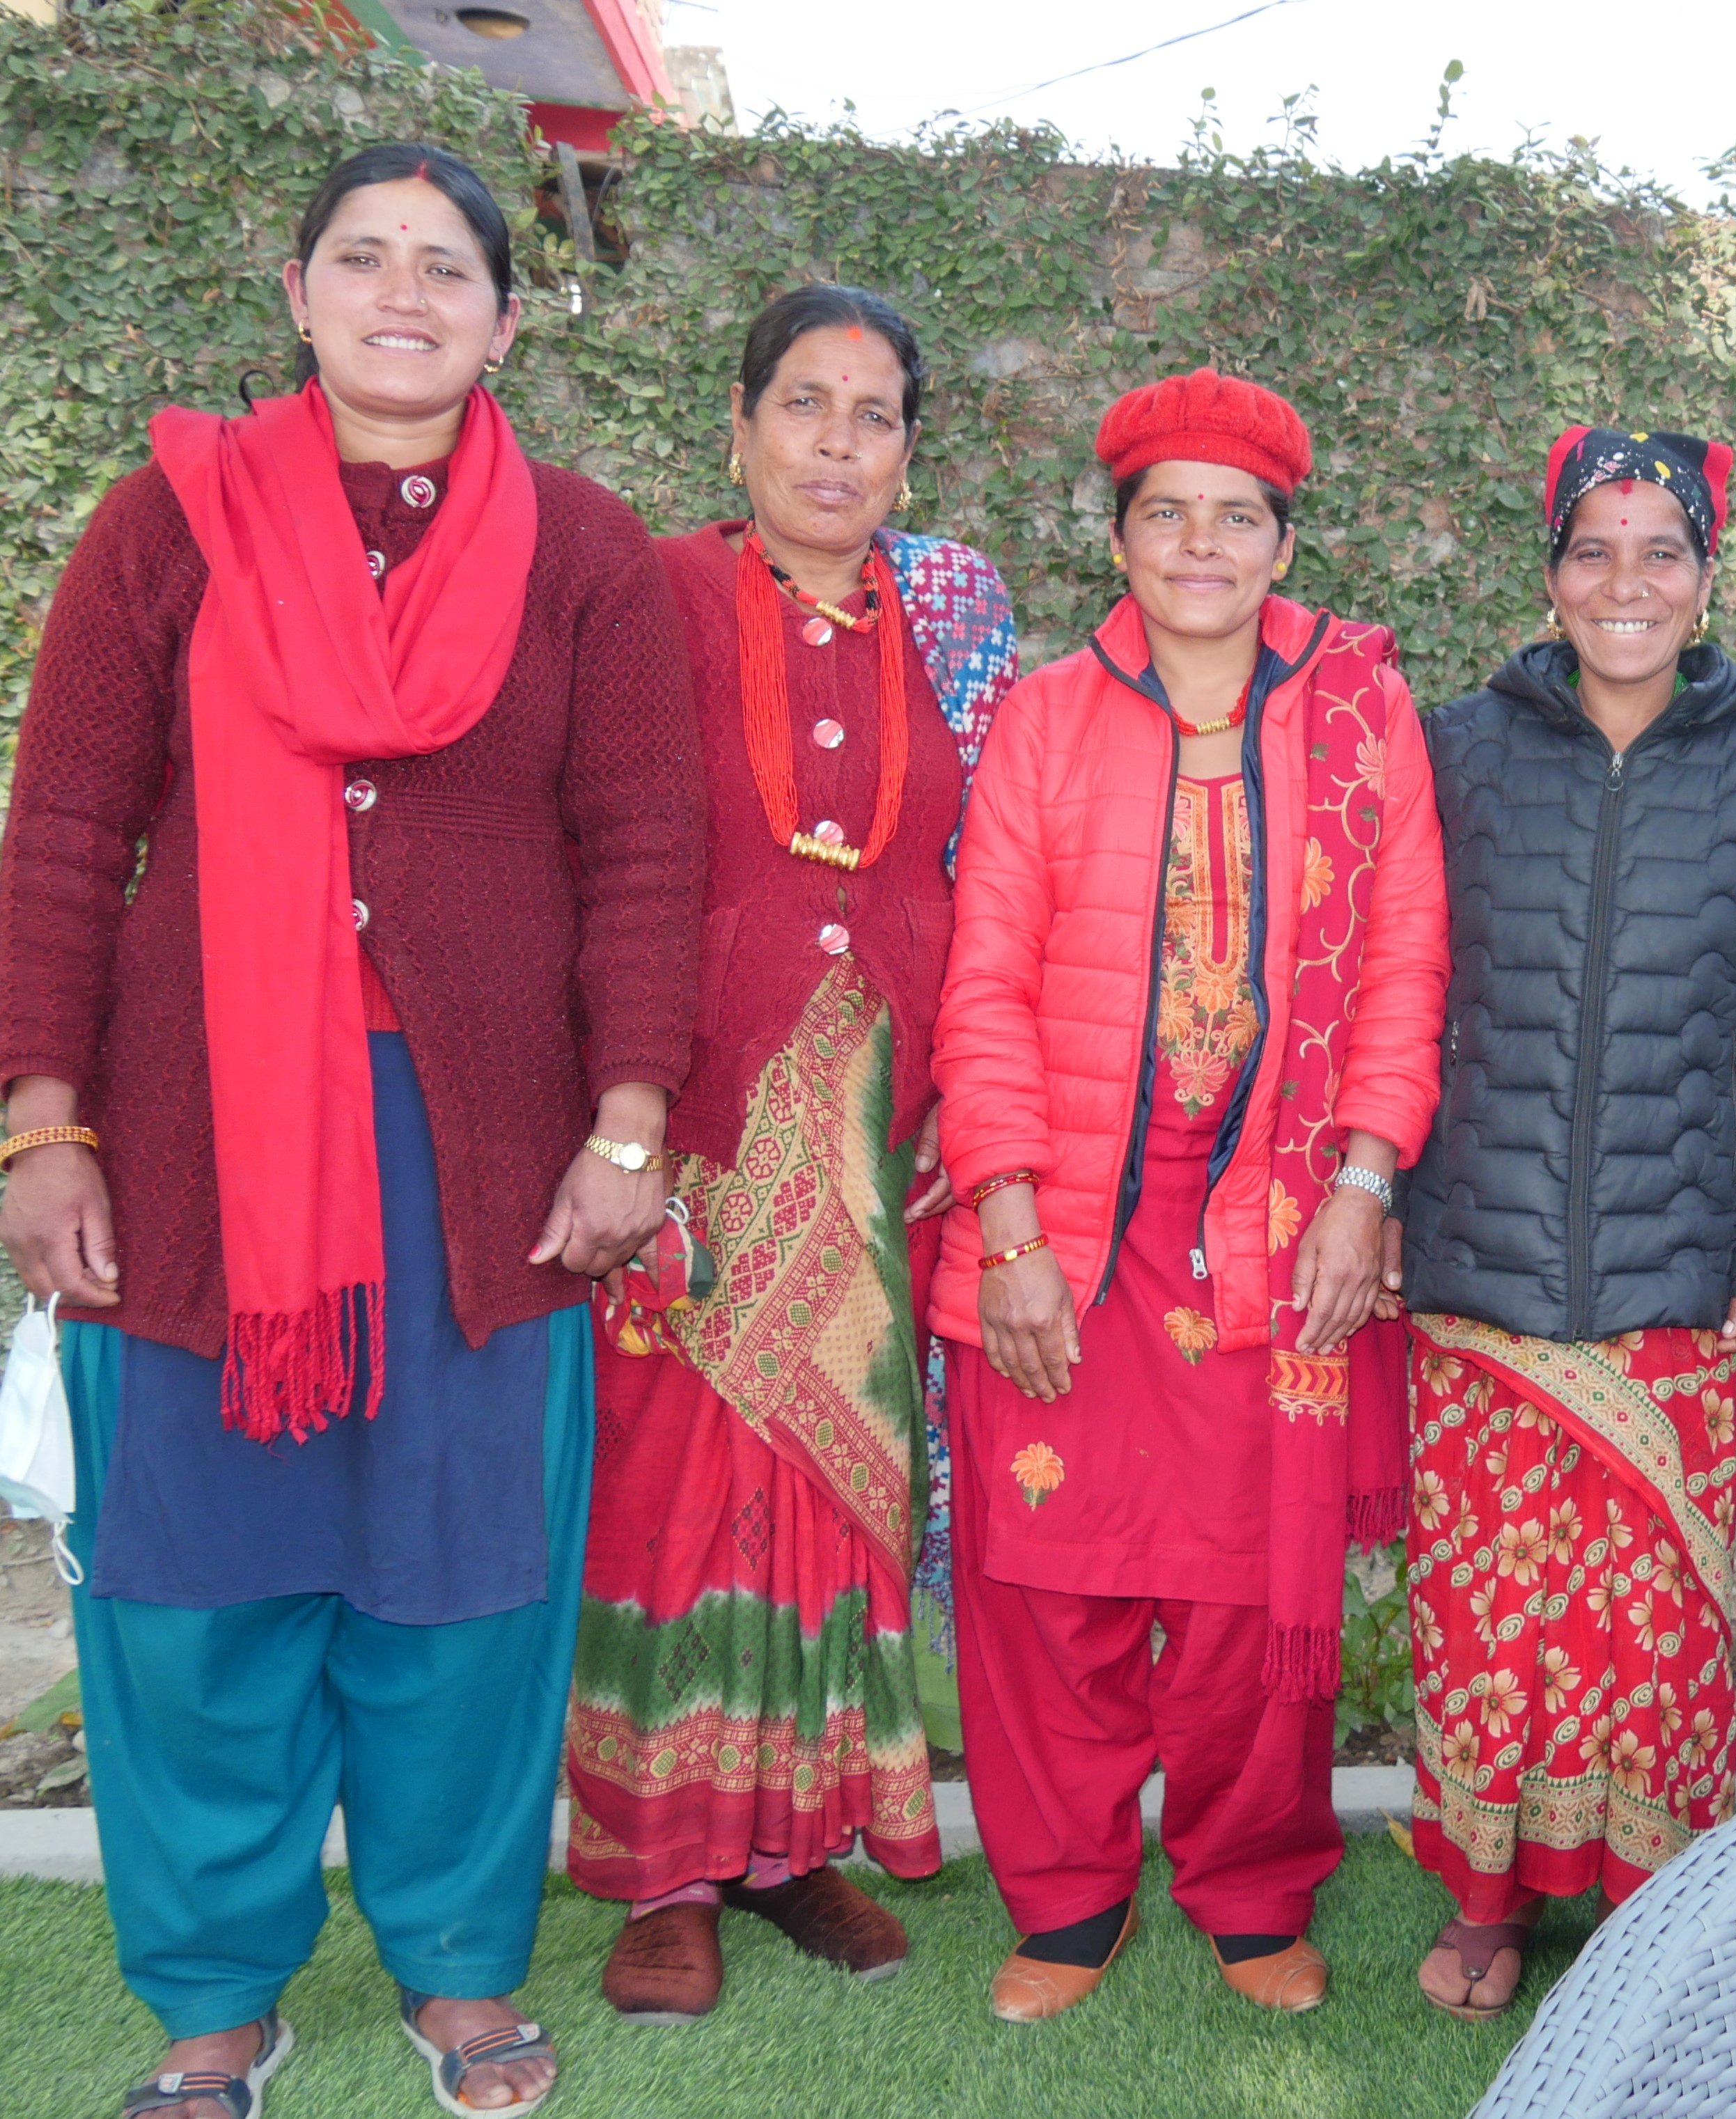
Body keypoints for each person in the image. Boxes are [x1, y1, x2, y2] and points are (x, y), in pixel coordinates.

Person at [0, 143, 703, 2118]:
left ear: (501, 311)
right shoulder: (169, 525)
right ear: (295, 289)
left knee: (464, 1581)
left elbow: (648, 849)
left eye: (449, 267)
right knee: (194, 1585)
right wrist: (40, 1124)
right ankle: (215, 1991)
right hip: (203, 1147)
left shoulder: (581, 550)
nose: (407, 294)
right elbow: (65, 831)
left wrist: (630, 1125)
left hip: (486, 1171)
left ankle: (463, 1967)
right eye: (364, 259)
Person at [931, 368, 1446, 2022]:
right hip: (1074, 1222)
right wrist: (1005, 1219)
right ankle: (1069, 1898)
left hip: (1276, 1224)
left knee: (1240, 1595)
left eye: (1237, 514)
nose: (1201, 542)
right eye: (1167, 512)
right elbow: (983, 982)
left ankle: (1246, 1887)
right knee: (1052, 1580)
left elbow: (1407, 973)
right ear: (1123, 539)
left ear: (1284, 540)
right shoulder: (1044, 716)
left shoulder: (1363, 711)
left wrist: (1367, 1187)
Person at [567, 284, 1020, 2022]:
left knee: (836, 1488)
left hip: (873, 1119)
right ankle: (662, 1865)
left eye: (875, 414)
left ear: (909, 451)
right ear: (740, 423)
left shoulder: (953, 624)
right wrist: (622, 1107)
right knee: (673, 1489)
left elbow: (972, 876)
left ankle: (795, 1842)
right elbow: (603, 849)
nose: (839, 443)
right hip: (686, 1116)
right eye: (807, 405)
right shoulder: (650, 595)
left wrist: (939, 1114)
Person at [1398, 423, 1736, 2019]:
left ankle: (1653, 1909)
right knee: (1490, 1615)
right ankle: (1489, 1896)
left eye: (1663, 549)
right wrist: (1377, 1188)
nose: (1627, 582)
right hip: (1479, 1262)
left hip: (1681, 1272)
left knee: (1652, 1628)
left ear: (1708, 574)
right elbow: (1399, 991)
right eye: (1595, 549)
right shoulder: (1454, 747)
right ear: (1550, 575)